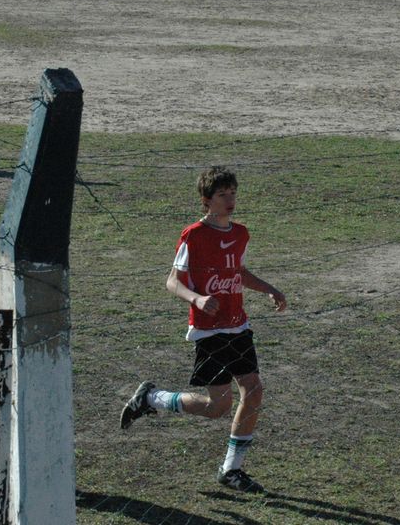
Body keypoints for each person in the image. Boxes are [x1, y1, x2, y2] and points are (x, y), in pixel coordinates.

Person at [120, 166, 287, 493]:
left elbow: (239, 272)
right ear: (206, 200)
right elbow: (173, 281)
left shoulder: (241, 234)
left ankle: (232, 470)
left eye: (233, 193)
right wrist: (196, 299)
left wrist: (269, 288)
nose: (230, 200)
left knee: (253, 391)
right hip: (210, 332)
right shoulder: (193, 236)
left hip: (238, 326)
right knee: (217, 407)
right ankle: (152, 398)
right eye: (222, 195)